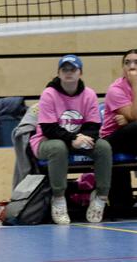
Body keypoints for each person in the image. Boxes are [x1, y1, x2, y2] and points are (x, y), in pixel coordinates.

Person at [29, 55, 110, 224]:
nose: (68, 73)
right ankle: (58, 198)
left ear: (80, 73)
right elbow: (48, 129)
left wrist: (82, 138)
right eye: (64, 69)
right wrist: (73, 138)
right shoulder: (49, 94)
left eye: (72, 69)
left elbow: (93, 126)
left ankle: (100, 197)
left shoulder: (89, 95)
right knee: (58, 148)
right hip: (47, 141)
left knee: (103, 147)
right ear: (58, 73)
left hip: (79, 140)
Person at [100, 49, 137, 213]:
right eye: (127, 62)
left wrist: (128, 120)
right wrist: (136, 84)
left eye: (136, 62)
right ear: (122, 67)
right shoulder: (115, 89)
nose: (132, 66)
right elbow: (134, 115)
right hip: (111, 139)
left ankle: (124, 204)